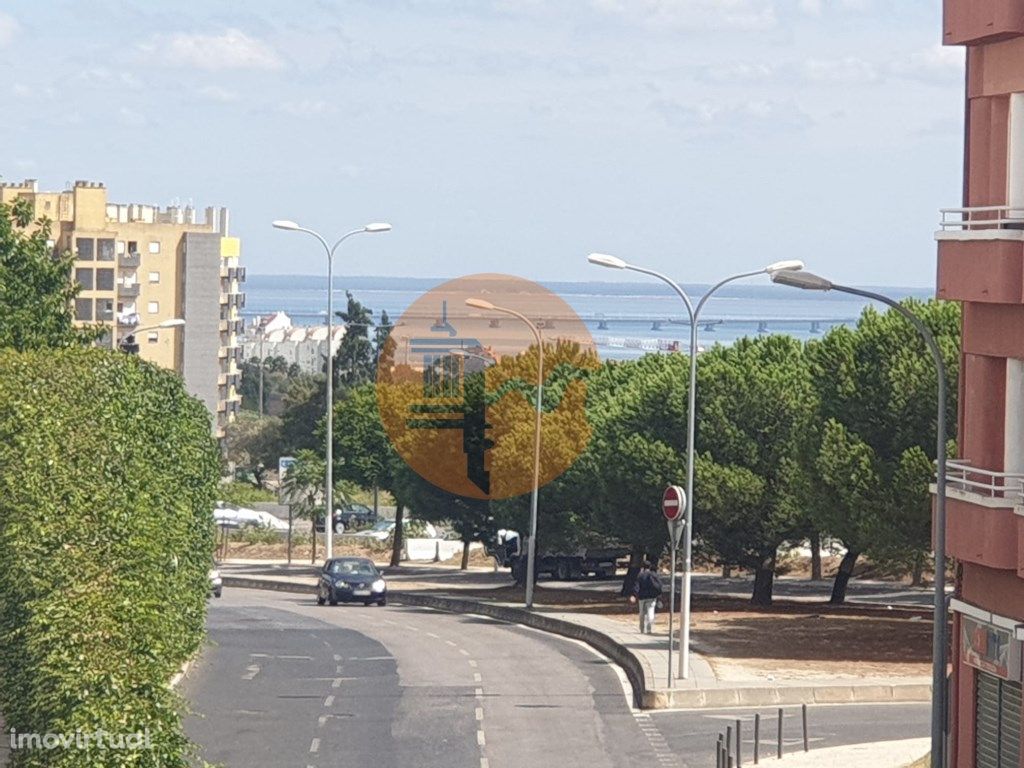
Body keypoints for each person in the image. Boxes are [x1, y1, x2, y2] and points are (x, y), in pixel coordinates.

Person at [631, 560, 663, 634]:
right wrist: (659, 595)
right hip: (652, 597)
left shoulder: (640, 575)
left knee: (642, 613)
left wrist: (634, 595)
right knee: (650, 612)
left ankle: (642, 629)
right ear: (650, 567)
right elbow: (660, 585)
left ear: (643, 567)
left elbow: (636, 586)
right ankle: (649, 629)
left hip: (642, 597)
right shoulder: (654, 575)